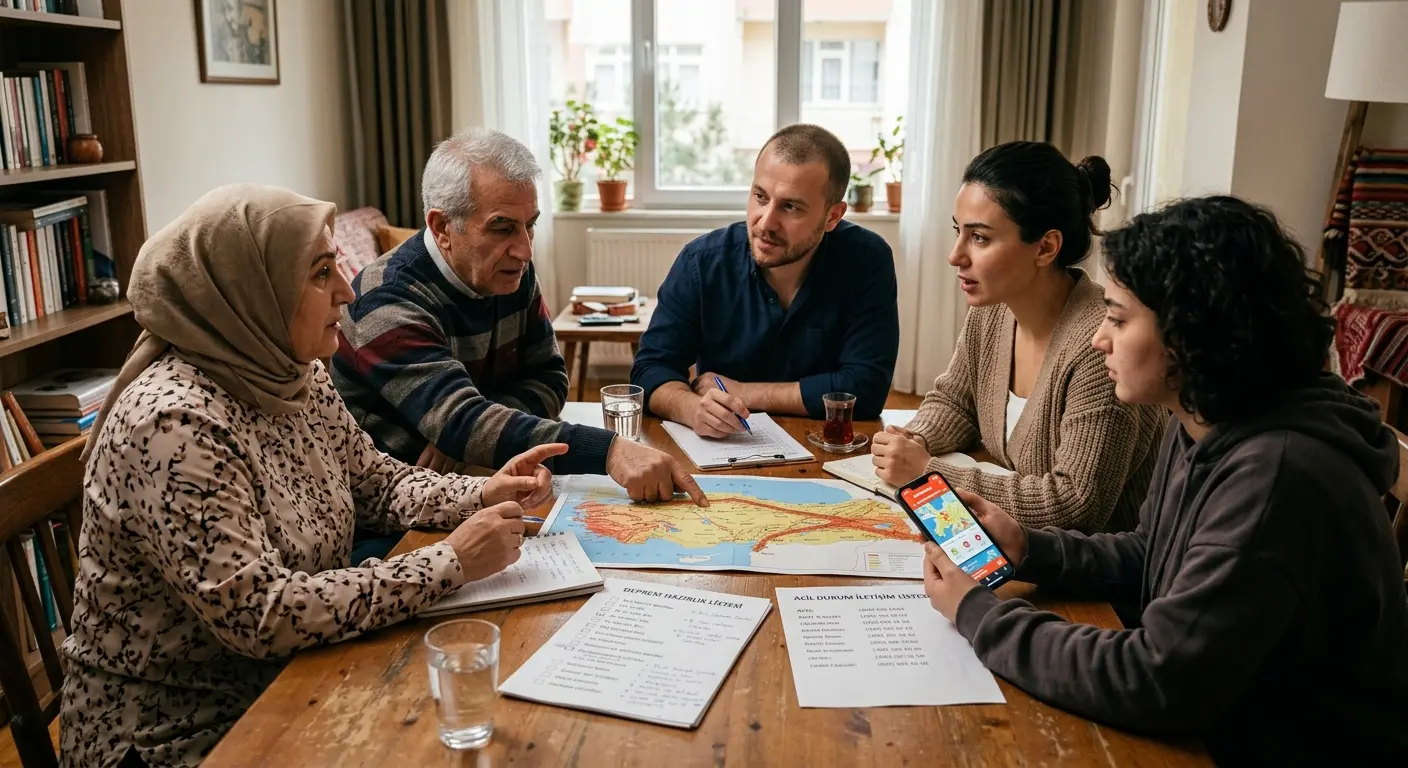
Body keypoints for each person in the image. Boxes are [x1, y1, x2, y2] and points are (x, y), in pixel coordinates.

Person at [59, 185, 561, 767]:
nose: (347, 290)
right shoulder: (173, 424)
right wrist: (449, 561)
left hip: (295, 675)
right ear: (250, 291)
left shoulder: (293, 374)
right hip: (179, 732)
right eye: (322, 272)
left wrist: (483, 490)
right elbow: (261, 615)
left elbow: (378, 484)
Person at [920, 195, 1408, 764]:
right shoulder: (1206, 412)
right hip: (1228, 715)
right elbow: (1152, 553)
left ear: (1192, 335)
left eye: (1118, 319)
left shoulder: (1276, 479)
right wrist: (1030, 547)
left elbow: (1154, 678)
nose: (1099, 339)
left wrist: (978, 614)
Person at [332, 128, 704, 504]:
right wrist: (609, 450)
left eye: (530, 225)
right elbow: (461, 421)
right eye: (502, 228)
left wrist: (472, 434)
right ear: (442, 228)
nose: (524, 250)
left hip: (473, 482)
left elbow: (551, 378)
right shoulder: (385, 301)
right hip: (394, 508)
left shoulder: (510, 271)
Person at [872, 142, 1163, 533]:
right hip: (1018, 543)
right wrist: (915, 438)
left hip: (1091, 566)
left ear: (1046, 247)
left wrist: (930, 473)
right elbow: (956, 401)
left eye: (980, 238)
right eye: (959, 232)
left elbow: (1074, 505)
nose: (955, 255)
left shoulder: (1100, 346)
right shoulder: (993, 309)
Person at [630, 123, 899, 436]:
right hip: (724, 446)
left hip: (827, 445)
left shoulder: (866, 260)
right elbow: (650, 370)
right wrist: (690, 407)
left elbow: (866, 389)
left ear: (832, 216)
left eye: (790, 207)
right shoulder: (701, 262)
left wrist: (744, 392)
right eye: (760, 196)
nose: (766, 223)